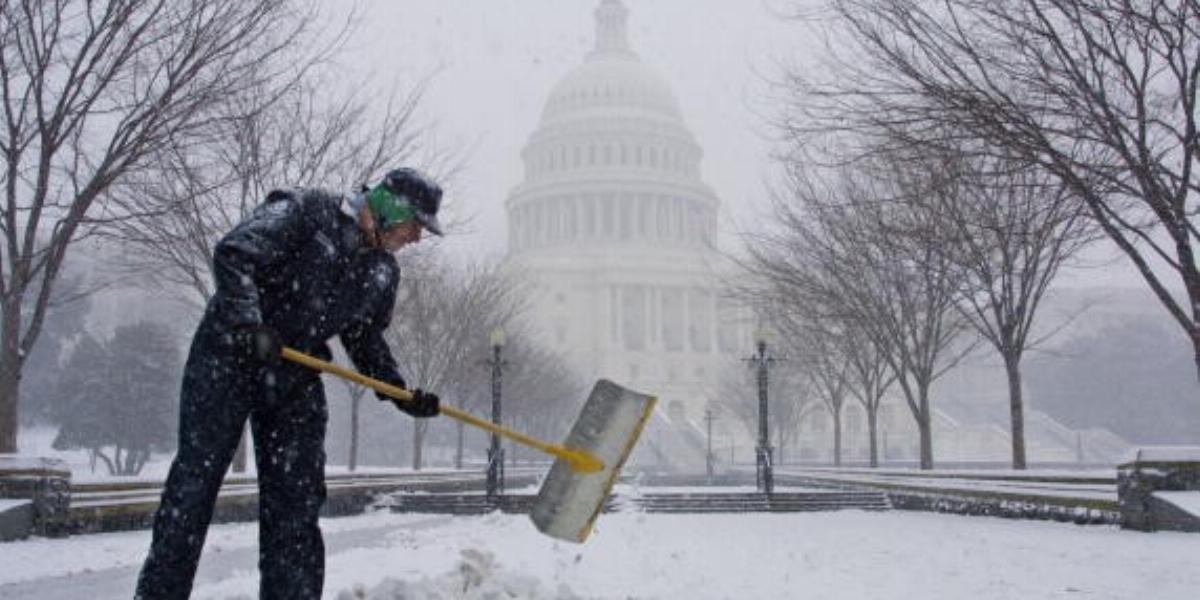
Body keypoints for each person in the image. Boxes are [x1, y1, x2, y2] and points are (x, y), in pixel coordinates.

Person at [135, 168, 445, 600]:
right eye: (416, 224)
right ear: (392, 207)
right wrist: (248, 324)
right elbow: (236, 251)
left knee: (296, 504)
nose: (417, 237)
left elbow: (364, 337)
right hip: (228, 357)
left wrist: (398, 392)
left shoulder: (381, 272)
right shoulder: (306, 210)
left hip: (295, 372)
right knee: (194, 489)